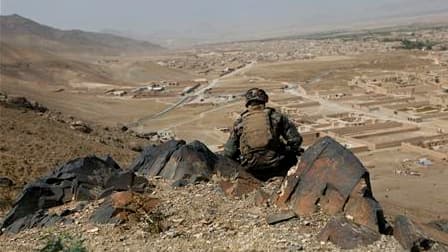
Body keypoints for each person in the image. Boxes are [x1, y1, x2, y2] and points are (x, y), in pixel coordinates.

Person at [224, 88, 303, 181]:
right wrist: (287, 149)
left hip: (251, 168)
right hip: (276, 165)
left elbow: (229, 152)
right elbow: (295, 140)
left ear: (247, 103)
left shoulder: (240, 122)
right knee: (295, 154)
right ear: (264, 100)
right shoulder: (276, 117)